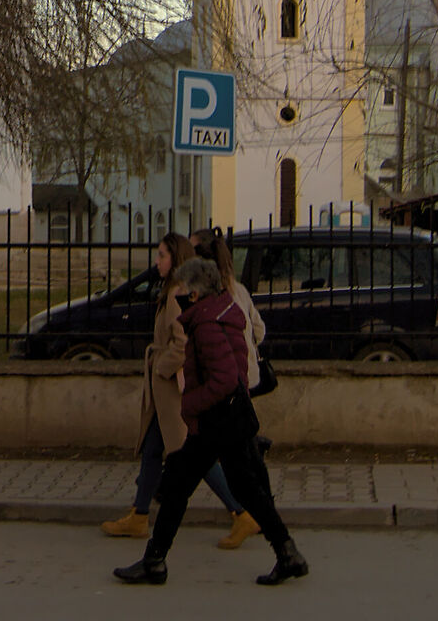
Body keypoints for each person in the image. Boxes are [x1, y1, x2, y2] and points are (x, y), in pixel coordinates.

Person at [112, 257, 308, 587]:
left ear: (195, 292)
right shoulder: (220, 314)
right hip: (229, 418)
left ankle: (155, 561)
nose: (179, 295)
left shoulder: (205, 325)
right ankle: (287, 554)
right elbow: (238, 374)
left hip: (218, 420)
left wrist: (189, 405)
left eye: (183, 290)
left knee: (183, 485)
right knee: (227, 486)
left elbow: (225, 379)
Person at [99, 233, 243, 542]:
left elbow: (182, 344)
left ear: (174, 259)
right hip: (164, 396)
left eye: (162, 255)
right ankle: (139, 516)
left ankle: (241, 513)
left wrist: (160, 367)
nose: (156, 261)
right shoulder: (171, 291)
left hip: (174, 392)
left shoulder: (179, 296)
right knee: (152, 451)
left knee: (195, 456)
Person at [193, 226, 270, 550]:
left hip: (225, 382)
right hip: (244, 380)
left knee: (217, 452)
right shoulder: (237, 289)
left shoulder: (212, 294)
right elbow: (260, 330)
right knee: (235, 449)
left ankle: (248, 514)